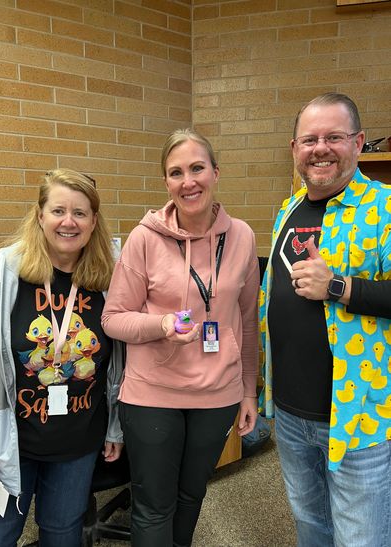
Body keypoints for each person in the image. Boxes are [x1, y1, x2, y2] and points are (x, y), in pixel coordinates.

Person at [102, 128, 259, 547]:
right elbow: (113, 319)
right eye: (176, 173)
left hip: (218, 394)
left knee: (191, 495)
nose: (188, 181)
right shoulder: (144, 238)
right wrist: (161, 326)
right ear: (166, 183)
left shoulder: (242, 236)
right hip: (153, 393)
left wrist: (249, 392)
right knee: (154, 505)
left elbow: (245, 320)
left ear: (215, 172)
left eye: (197, 168)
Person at [260, 92, 391, 547]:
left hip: (359, 415)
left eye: (334, 137)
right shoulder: (289, 207)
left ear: (357, 142)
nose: (321, 148)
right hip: (291, 413)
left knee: (361, 537)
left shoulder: (386, 208)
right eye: (309, 139)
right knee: (311, 525)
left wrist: (339, 287)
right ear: (294, 148)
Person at [0, 169, 124, 547]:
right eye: (58, 210)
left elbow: (119, 364)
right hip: (10, 440)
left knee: (63, 535)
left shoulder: (109, 279)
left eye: (80, 212)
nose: (68, 221)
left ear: (94, 221)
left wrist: (114, 429)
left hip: (78, 442)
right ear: (40, 215)